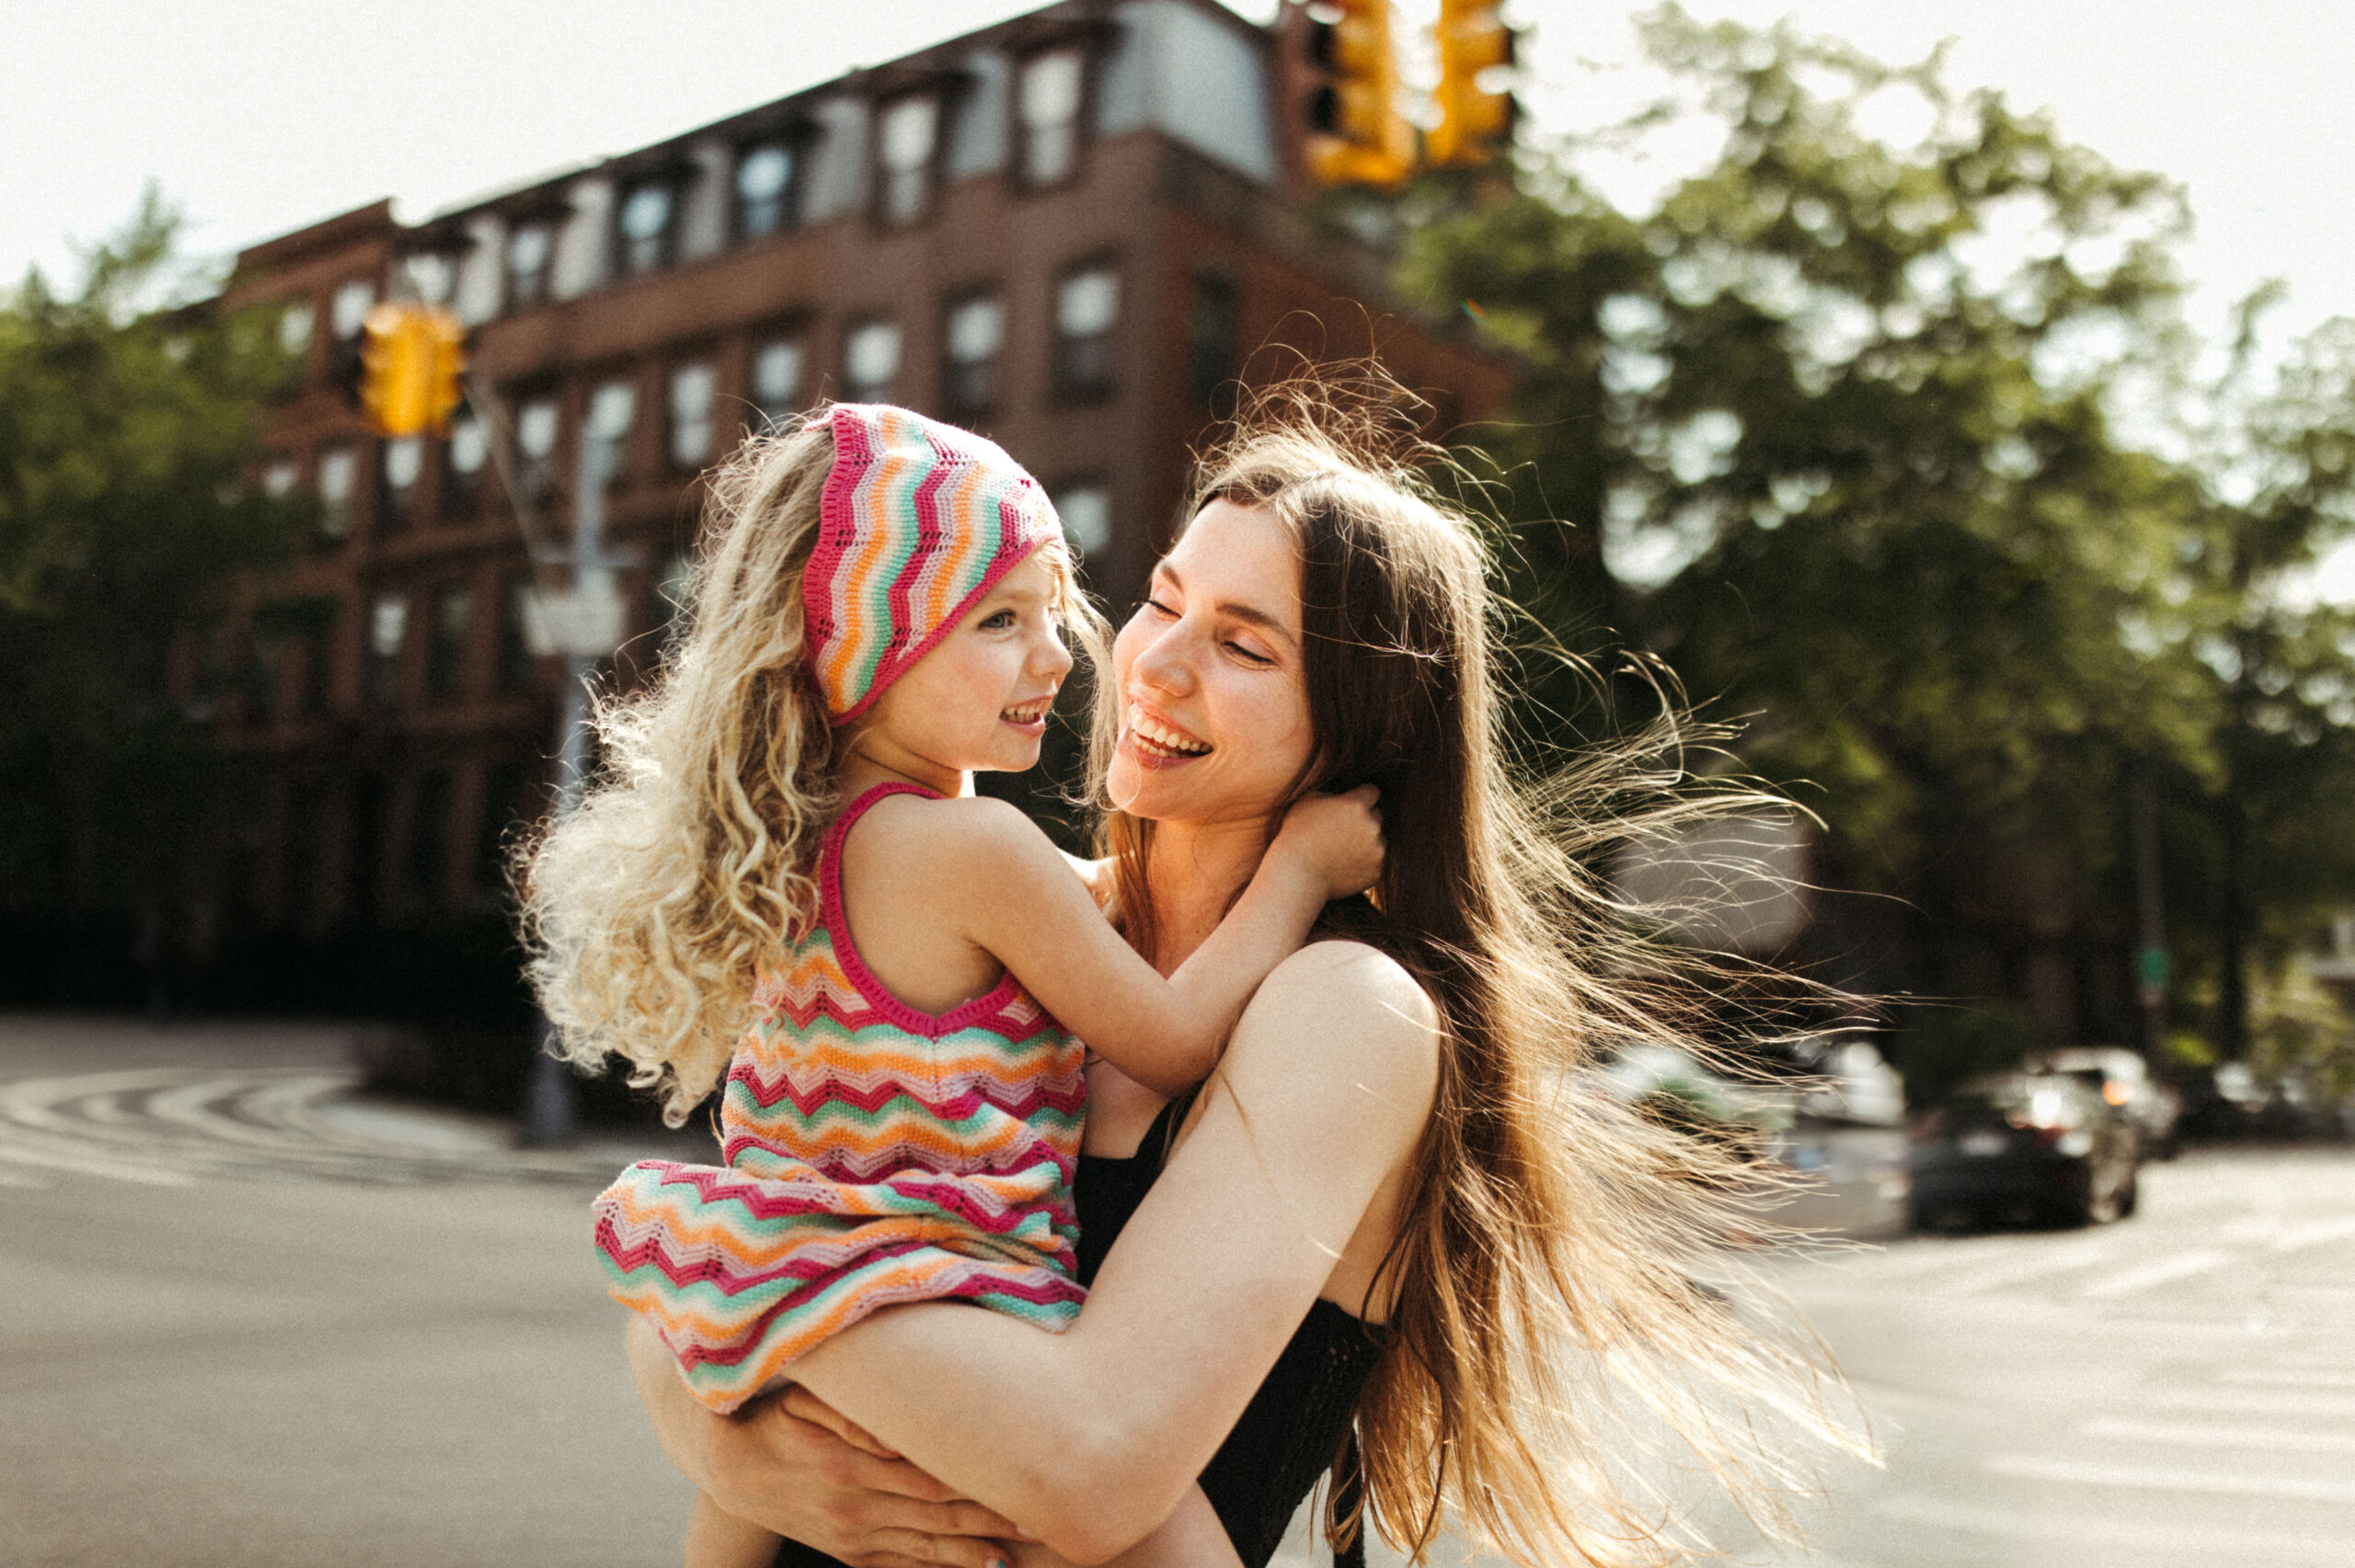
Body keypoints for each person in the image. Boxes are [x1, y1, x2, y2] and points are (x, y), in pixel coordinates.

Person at [620, 385, 1867, 1568]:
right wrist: (723, 1442)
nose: (1154, 664)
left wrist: (725, 1368)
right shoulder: (1011, 911)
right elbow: (776, 1197)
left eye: (1245, 646)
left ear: (1358, 725)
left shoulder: (1342, 1007)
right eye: (1164, 602)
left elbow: (1088, 1466)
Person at [523, 404, 1383, 1568]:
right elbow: (1175, 1036)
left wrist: (715, 1439)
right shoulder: (974, 853)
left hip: (800, 1272)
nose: (1060, 654)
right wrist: (1305, 867)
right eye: (996, 620)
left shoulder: (821, 844)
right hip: (948, 1276)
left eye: (1050, 611)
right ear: (867, 643)